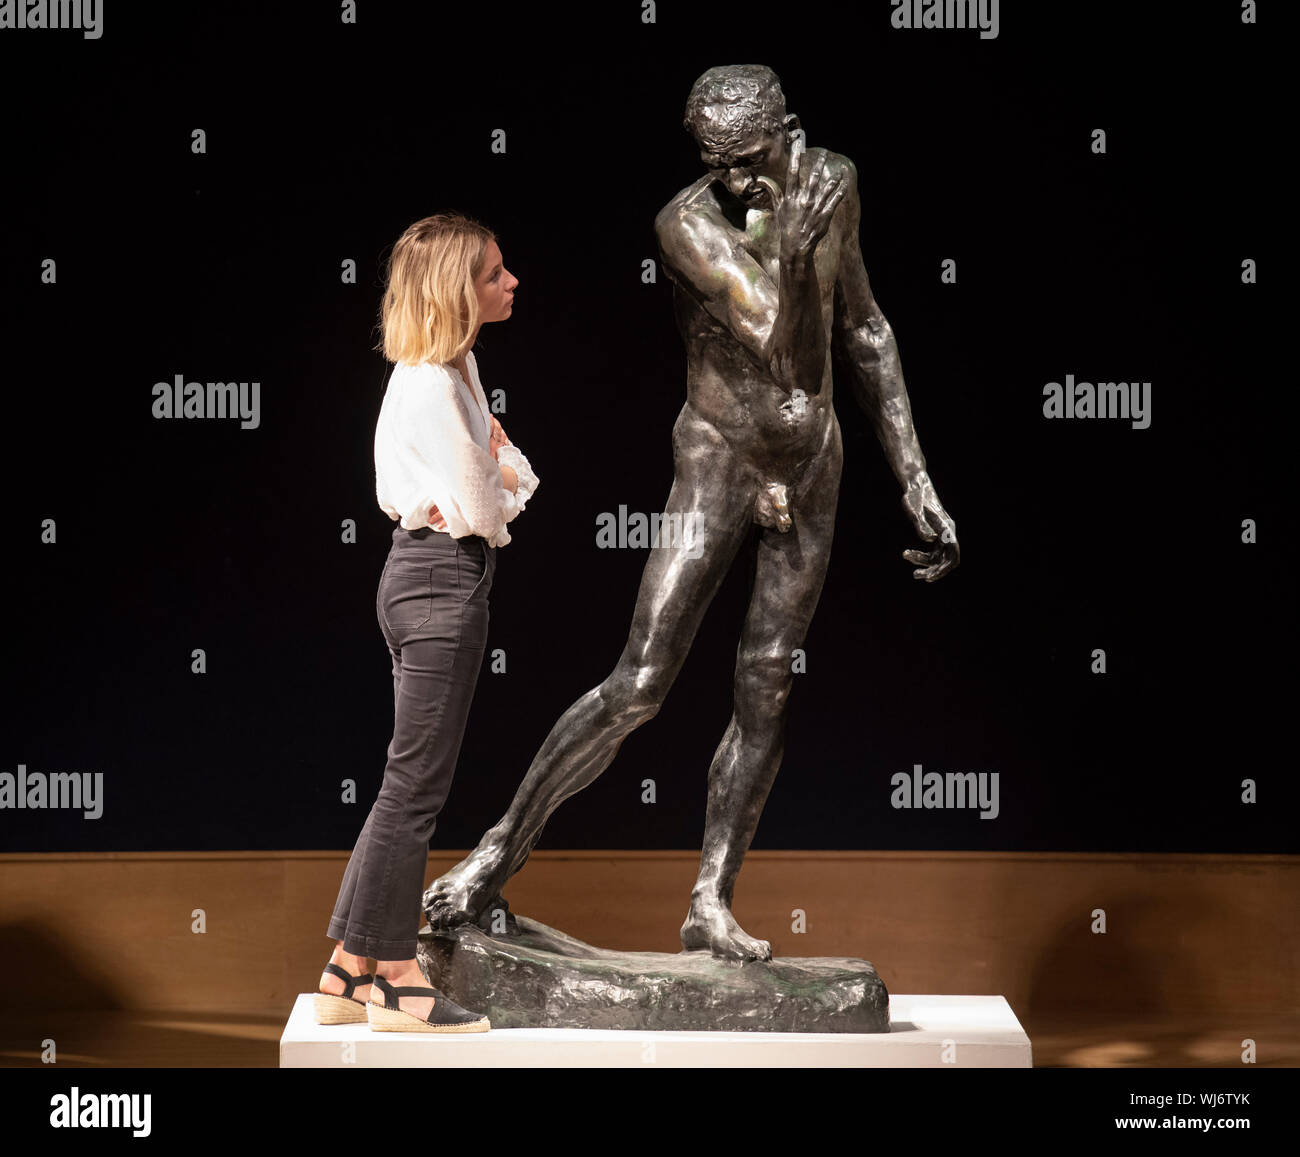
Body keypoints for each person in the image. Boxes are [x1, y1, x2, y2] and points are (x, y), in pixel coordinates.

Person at [426, 64, 957, 963]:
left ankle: (711, 897)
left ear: (789, 132)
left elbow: (861, 327)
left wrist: (915, 475)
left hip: (814, 465)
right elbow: (783, 344)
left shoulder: (836, 181)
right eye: (721, 167)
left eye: (750, 162)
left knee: (767, 688)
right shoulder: (685, 224)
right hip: (717, 461)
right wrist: (790, 245)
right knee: (641, 681)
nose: (738, 184)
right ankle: (493, 855)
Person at [312, 213, 538, 1032]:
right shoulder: (436, 384)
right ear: (456, 289)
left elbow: (495, 483)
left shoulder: (455, 366)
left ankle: (347, 967)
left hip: (430, 573)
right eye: (494, 273)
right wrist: (502, 478)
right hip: (440, 575)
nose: (511, 283)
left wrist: (495, 478)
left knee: (402, 786)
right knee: (414, 790)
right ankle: (398, 979)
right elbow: (487, 503)